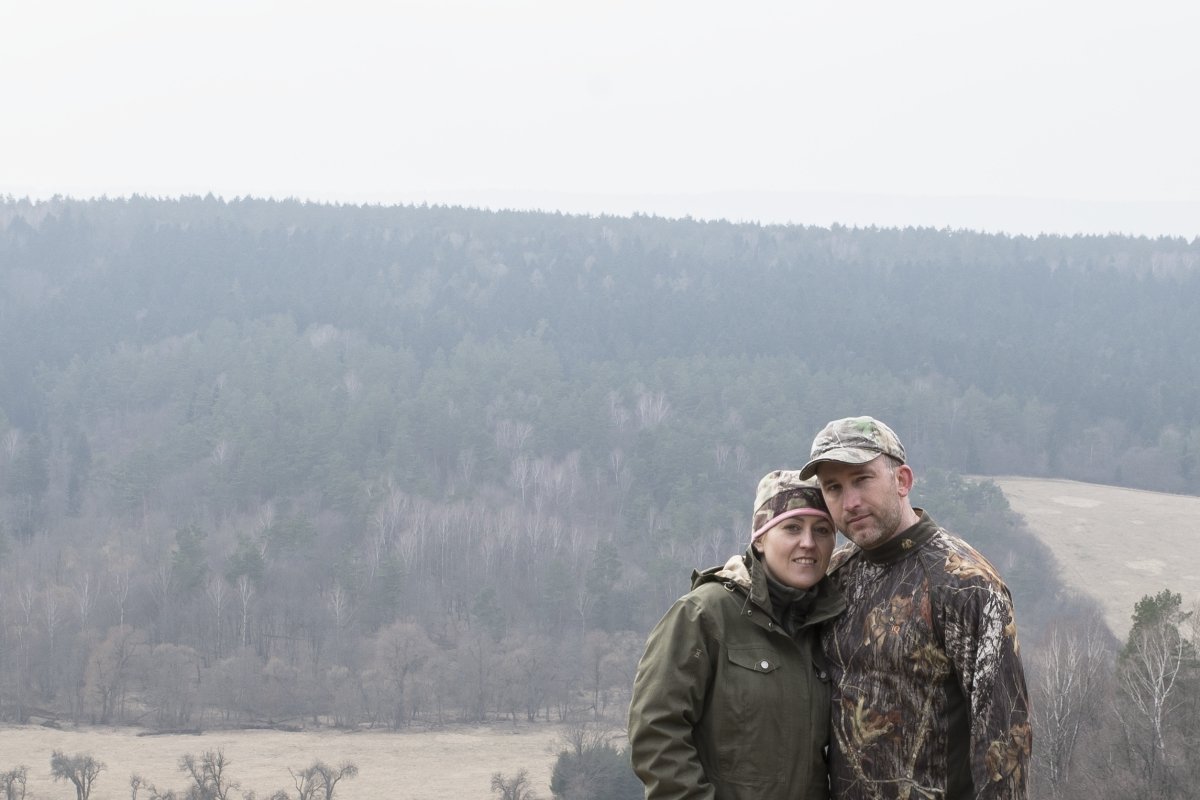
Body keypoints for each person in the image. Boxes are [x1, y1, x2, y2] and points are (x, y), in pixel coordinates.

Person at [798, 416, 1030, 800]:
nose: (850, 502)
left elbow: (1006, 744)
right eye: (833, 487)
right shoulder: (835, 576)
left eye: (862, 479)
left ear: (902, 480)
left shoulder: (965, 585)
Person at [628, 470, 846, 800]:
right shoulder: (704, 614)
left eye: (822, 530)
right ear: (759, 537)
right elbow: (656, 731)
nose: (808, 542)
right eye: (792, 527)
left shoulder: (828, 627)